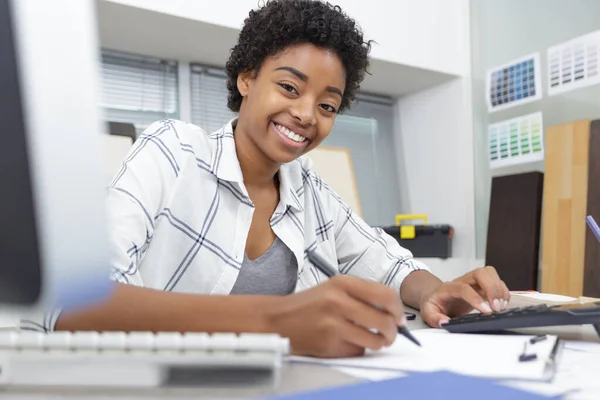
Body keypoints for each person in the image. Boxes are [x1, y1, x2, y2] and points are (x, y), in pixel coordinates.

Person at [50, 0, 509, 358]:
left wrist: (436, 291)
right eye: (289, 87)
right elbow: (77, 303)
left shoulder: (306, 188)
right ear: (247, 78)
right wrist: (277, 319)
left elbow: (384, 261)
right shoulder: (172, 151)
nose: (307, 114)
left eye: (327, 105)